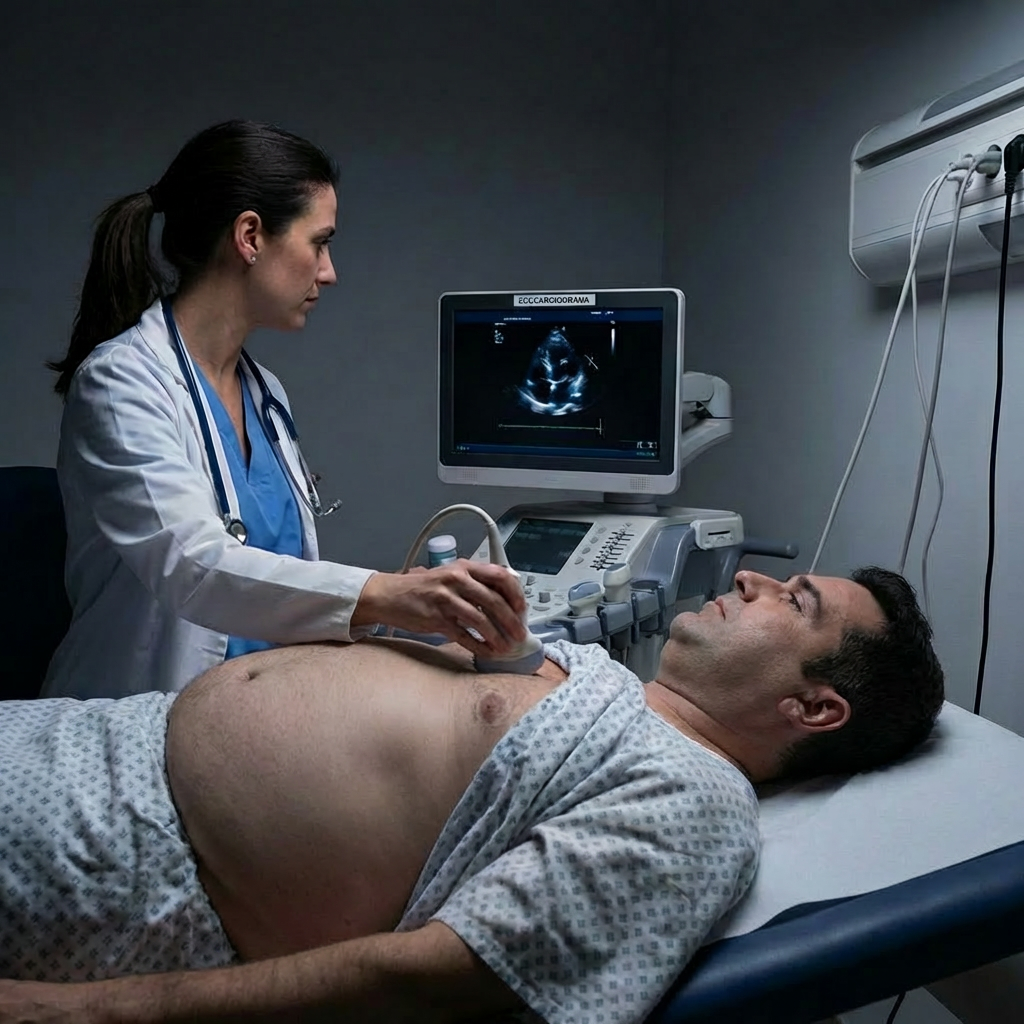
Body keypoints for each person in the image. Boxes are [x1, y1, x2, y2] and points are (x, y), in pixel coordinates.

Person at [0, 567, 944, 1024]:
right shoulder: (603, 681)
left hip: (109, 863)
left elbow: (439, 975)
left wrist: (87, 1013)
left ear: (814, 707)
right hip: (74, 741)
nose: (752, 579)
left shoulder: (698, 800)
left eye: (795, 601)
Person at [41, 119, 526, 700]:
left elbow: (275, 586)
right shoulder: (121, 384)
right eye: (319, 242)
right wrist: (380, 594)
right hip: (138, 722)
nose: (329, 271)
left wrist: (397, 596)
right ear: (250, 236)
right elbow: (195, 567)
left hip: (260, 714)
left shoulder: (264, 393)